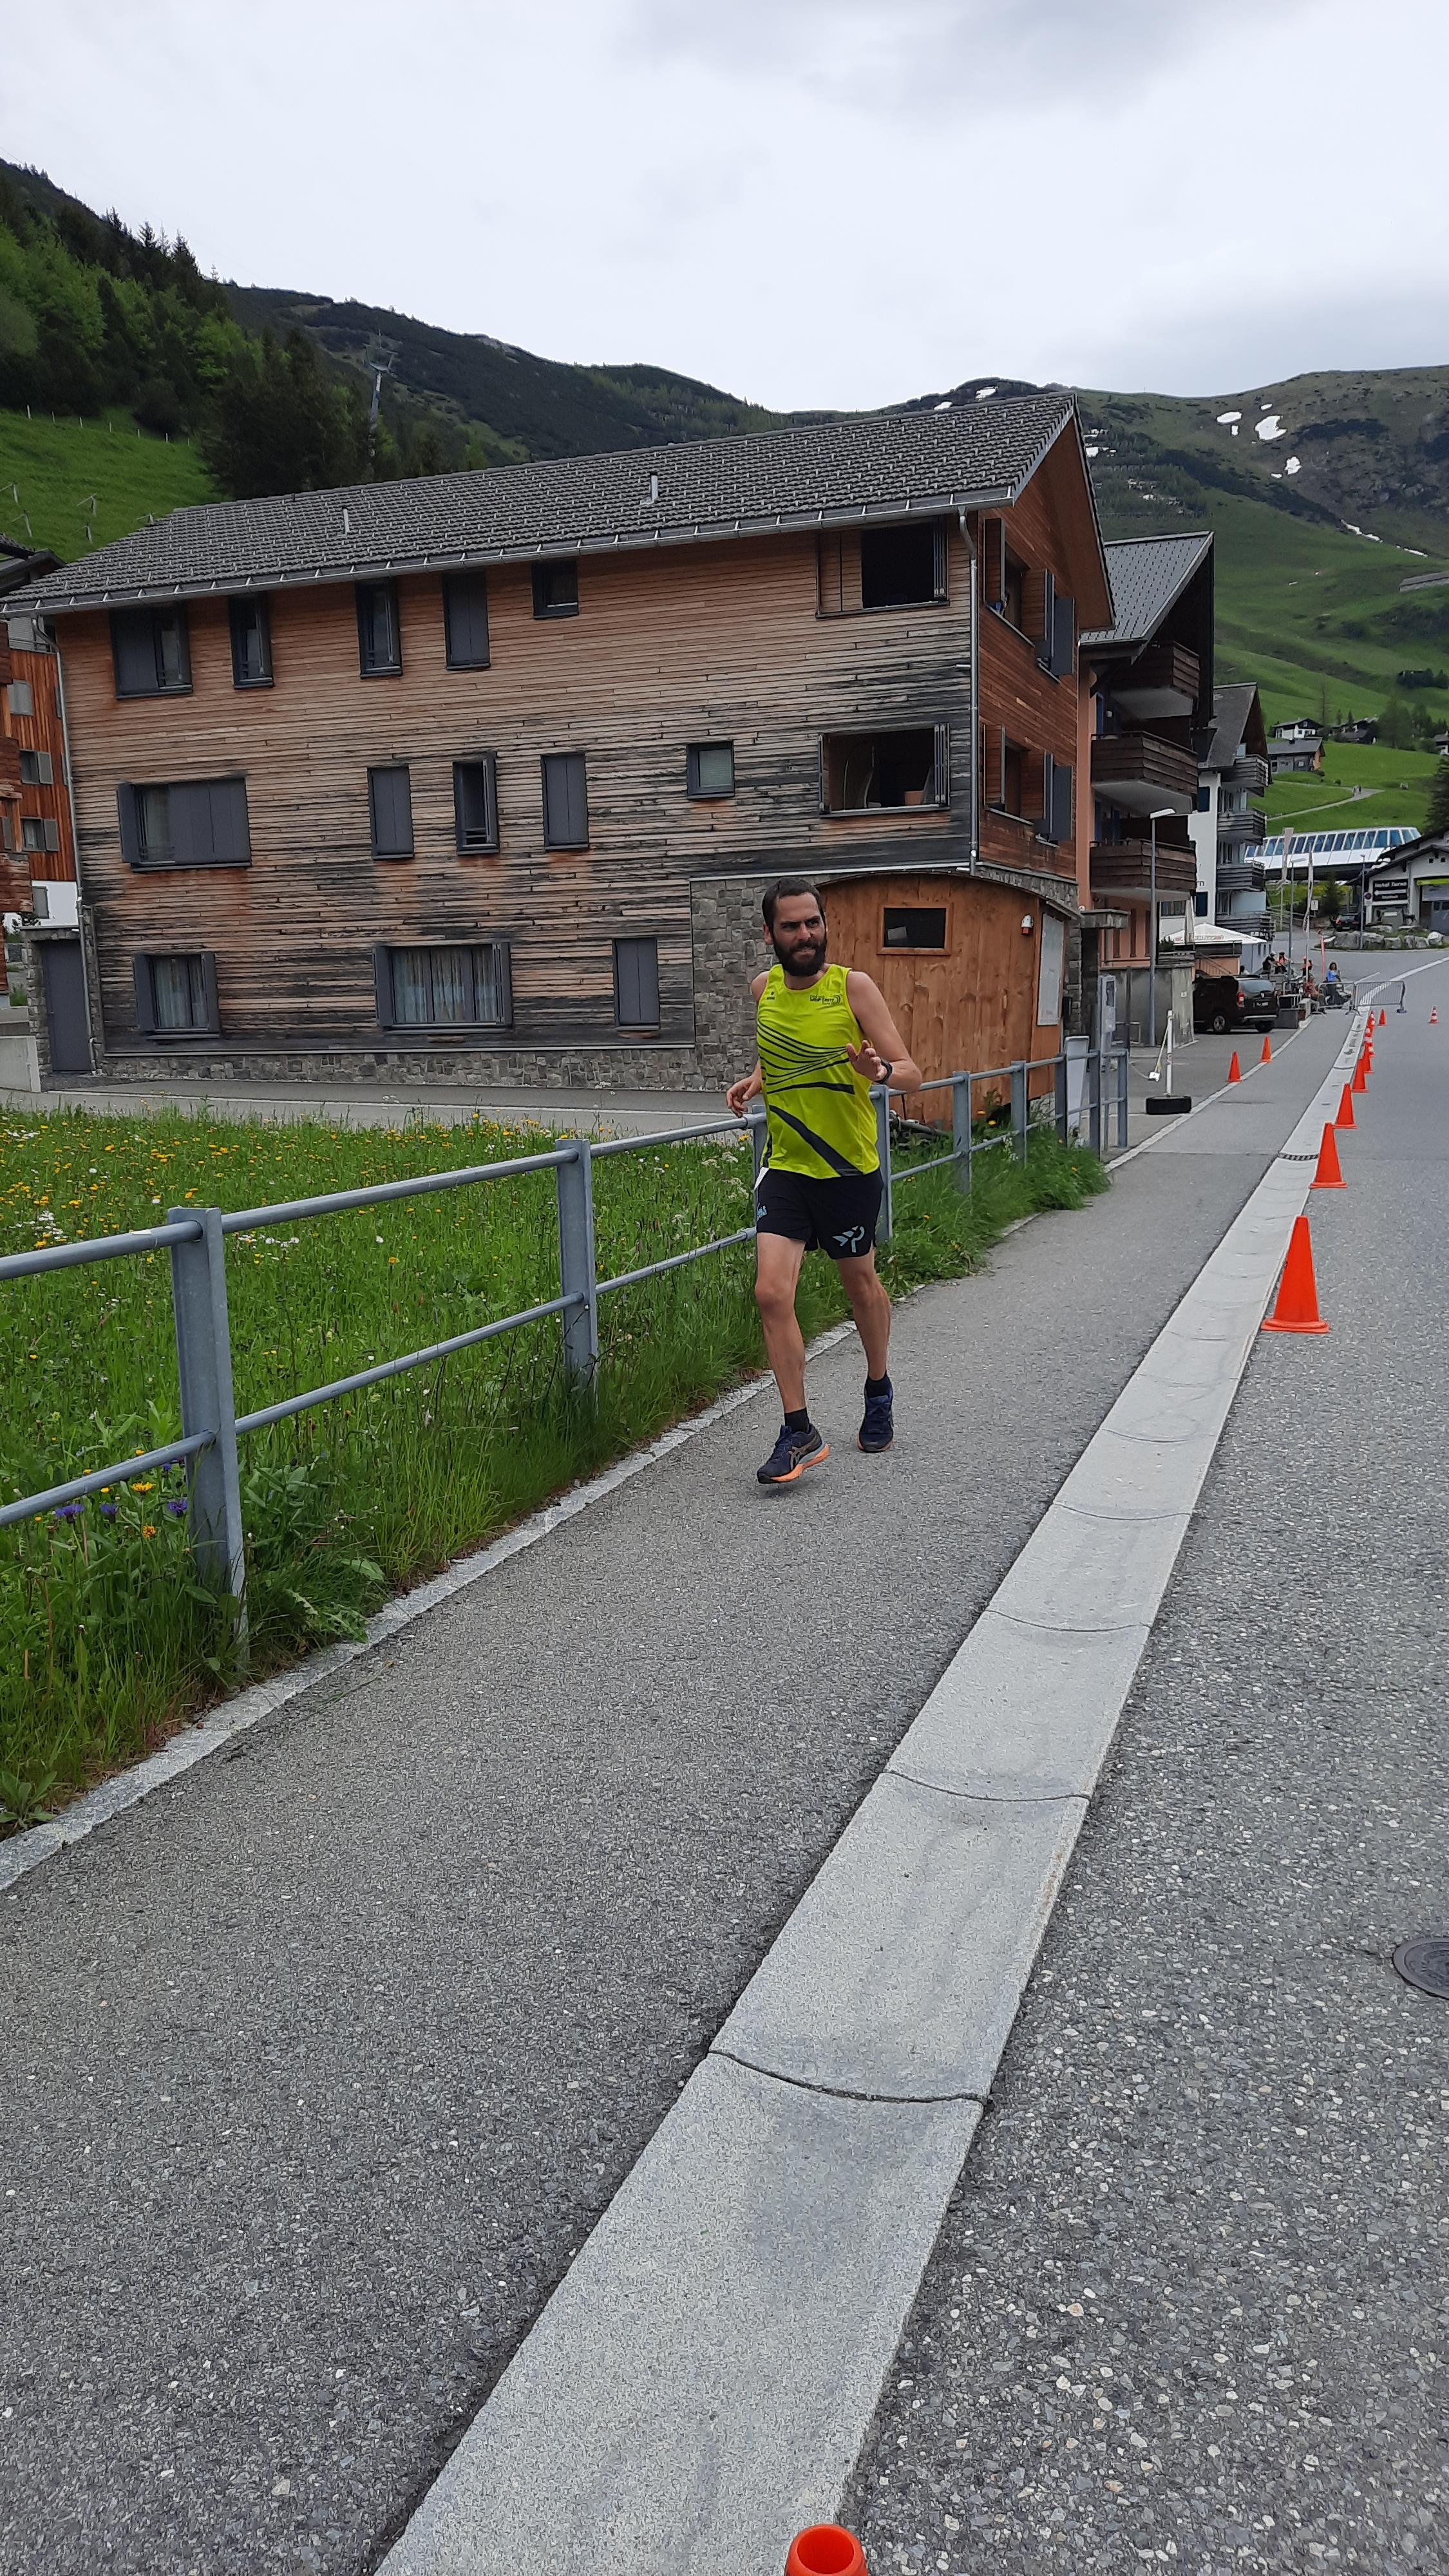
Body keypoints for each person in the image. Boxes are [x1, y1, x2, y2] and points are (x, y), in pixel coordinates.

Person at [725, 877, 922, 1485]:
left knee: (860, 1285)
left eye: (813, 923)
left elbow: (913, 1072)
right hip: (786, 1167)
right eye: (791, 926)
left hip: (847, 1170)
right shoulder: (764, 991)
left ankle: (879, 1387)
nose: (805, 935)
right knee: (769, 1293)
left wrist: (879, 1069)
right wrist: (757, 1077)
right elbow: (782, 1046)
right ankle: (798, 1430)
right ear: (769, 934)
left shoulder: (853, 988)